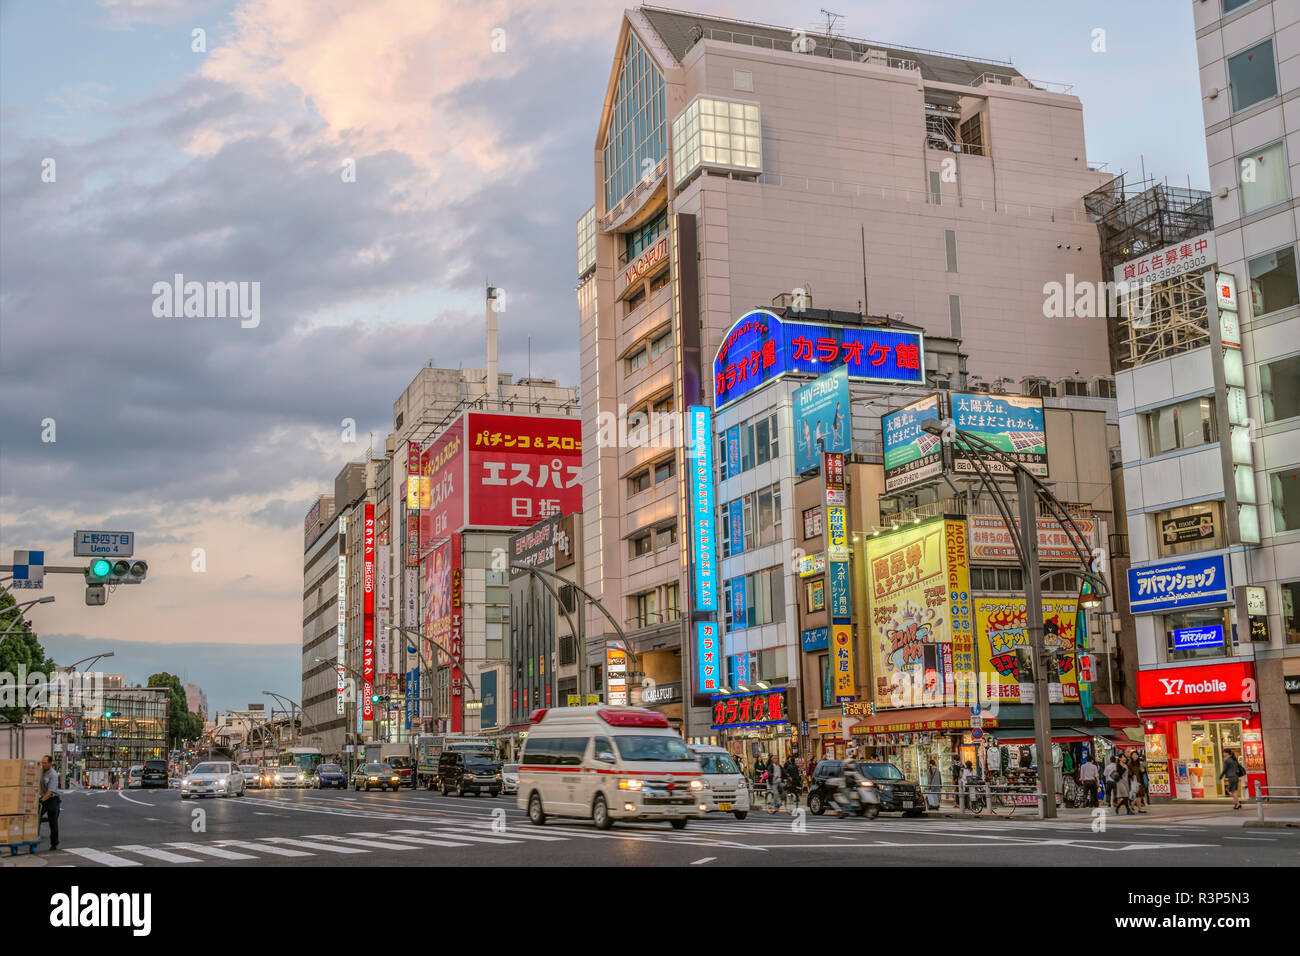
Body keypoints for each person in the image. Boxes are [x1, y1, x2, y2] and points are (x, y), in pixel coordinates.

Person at [38, 754, 61, 851]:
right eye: (42, 763)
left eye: (45, 763)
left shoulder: (53, 774)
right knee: (34, 816)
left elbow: (50, 791)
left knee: (53, 822)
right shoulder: (40, 771)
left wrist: (41, 800)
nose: (43, 765)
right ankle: (33, 836)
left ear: (50, 763)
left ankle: (54, 843)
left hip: (52, 800)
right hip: (42, 798)